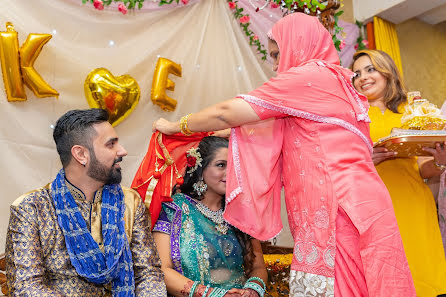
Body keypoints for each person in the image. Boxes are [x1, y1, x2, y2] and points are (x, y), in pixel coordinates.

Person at [153, 13, 415, 297]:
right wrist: (224, 136)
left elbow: (225, 112)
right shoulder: (337, 79)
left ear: (299, 45)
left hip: (338, 207)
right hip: (358, 202)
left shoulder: (308, 76)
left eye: (279, 54)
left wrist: (176, 126)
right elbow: (287, 135)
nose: (276, 65)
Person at [5, 109, 167, 297]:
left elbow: (148, 273)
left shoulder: (130, 202)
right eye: (111, 145)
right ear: (81, 154)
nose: (122, 151)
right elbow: (27, 286)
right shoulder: (32, 208)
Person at [352, 49, 446, 296]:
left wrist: (440, 162)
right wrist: (365, 161)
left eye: (370, 69)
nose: (363, 77)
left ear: (387, 72)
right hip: (372, 210)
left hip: (415, 204)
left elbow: (424, 167)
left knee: (422, 277)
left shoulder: (413, 112)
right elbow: (337, 169)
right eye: (357, 73)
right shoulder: (352, 118)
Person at [152, 136, 268, 297]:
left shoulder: (241, 212)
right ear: (200, 170)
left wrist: (252, 291)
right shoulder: (174, 209)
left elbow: (258, 266)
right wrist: (214, 295)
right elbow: (162, 269)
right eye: (221, 165)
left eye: (234, 166)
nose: (230, 173)